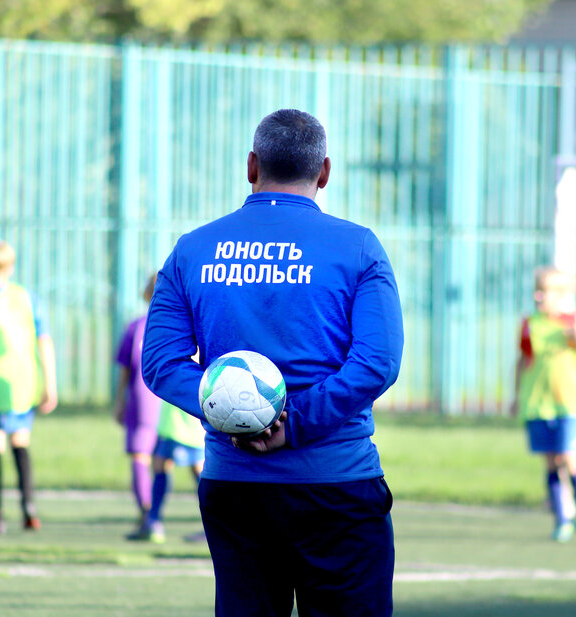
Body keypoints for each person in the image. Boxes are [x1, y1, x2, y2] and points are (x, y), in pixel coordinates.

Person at [141, 109, 404, 617]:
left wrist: (234, 414)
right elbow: (377, 362)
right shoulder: (358, 247)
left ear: (251, 165)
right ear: (324, 172)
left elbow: (161, 362)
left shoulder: (192, 249)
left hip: (236, 485)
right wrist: (296, 424)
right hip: (336, 484)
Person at [0, 241, 57, 534]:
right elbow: (44, 340)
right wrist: (50, 384)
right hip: (23, 382)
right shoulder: (27, 298)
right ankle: (29, 509)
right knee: (21, 441)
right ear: (11, 267)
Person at [512, 266, 576, 543]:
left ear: (561, 295)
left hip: (570, 404)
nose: (538, 296)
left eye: (544, 291)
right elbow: (523, 360)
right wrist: (516, 396)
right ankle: (561, 518)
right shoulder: (530, 323)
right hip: (539, 404)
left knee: (570, 457)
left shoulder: (575, 321)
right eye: (537, 290)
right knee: (551, 462)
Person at [114, 274, 163, 539]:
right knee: (190, 460)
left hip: (144, 401)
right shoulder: (184, 327)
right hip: (175, 406)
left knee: (141, 459)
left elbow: (125, 369)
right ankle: (214, 516)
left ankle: (148, 516)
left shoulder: (136, 328)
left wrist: (119, 400)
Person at [133, 401, 206, 543]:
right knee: (162, 464)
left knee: (196, 469)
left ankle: (154, 522)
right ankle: (153, 522)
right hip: (179, 422)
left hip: (181, 423)